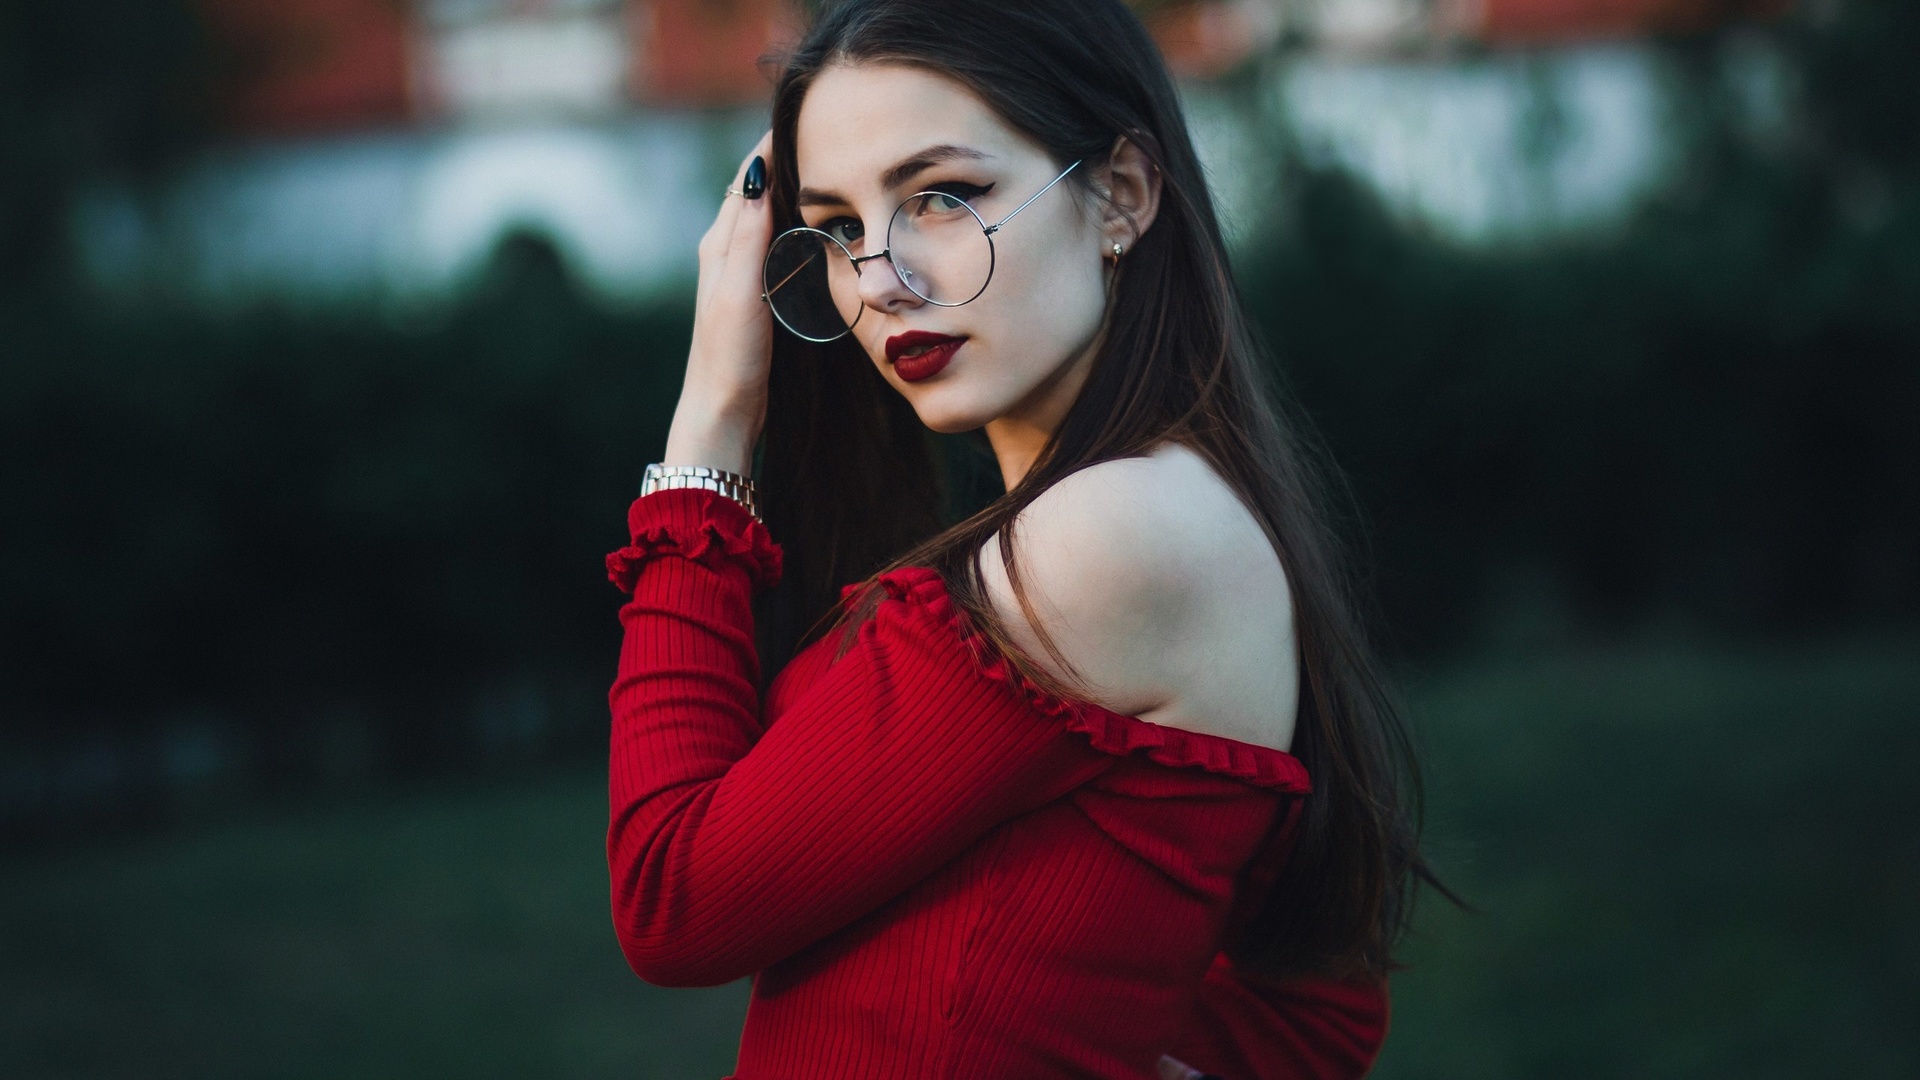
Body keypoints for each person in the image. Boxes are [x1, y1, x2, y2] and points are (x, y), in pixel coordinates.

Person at [604, 1, 1442, 1076]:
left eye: (942, 197)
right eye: (841, 227)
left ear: (1122, 195)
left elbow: (673, 898)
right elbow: (1314, 1011)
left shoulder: (1111, 537)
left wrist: (710, 428)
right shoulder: (1165, 514)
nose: (878, 281)